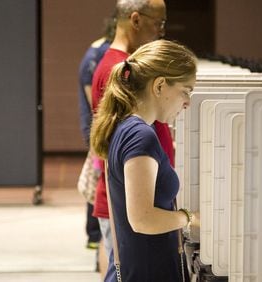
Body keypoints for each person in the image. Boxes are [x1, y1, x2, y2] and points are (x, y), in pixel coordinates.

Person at [91, 39, 200, 282]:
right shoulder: (141, 136)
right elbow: (143, 219)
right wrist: (190, 218)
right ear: (160, 85)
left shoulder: (128, 127)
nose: (188, 102)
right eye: (186, 90)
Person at [90, 0, 170, 265]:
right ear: (135, 20)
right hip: (127, 207)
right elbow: (118, 153)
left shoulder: (125, 66)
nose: (161, 31)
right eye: (158, 23)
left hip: (133, 204)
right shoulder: (121, 71)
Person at [76, 16, 116, 273]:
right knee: (101, 201)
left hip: (99, 133)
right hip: (99, 135)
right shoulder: (99, 55)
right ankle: (94, 239)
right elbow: (98, 102)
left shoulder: (99, 50)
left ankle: (96, 241)